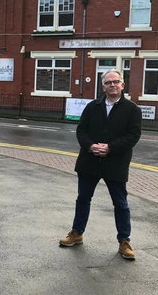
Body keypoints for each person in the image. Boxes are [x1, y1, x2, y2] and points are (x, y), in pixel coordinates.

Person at [59, 69, 142, 260]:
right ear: (103, 86)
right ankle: (77, 232)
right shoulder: (92, 107)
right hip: (89, 161)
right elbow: (81, 131)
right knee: (83, 199)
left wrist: (110, 148)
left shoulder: (132, 110)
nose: (112, 85)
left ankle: (124, 241)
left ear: (122, 85)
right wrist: (90, 146)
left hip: (116, 163)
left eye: (116, 82)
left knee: (120, 203)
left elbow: (133, 136)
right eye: (108, 82)